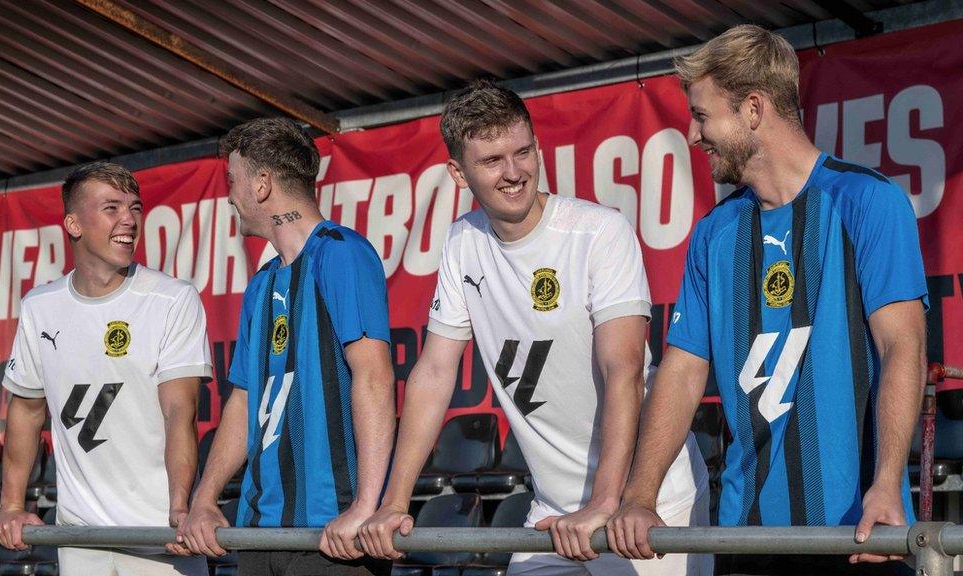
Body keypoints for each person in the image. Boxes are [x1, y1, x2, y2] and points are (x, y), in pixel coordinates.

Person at [358, 80, 711, 575]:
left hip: (645, 502)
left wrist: (607, 500)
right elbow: (434, 374)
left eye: (523, 152)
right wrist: (395, 502)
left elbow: (624, 369)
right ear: (458, 173)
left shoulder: (598, 232)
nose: (513, 173)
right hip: (552, 510)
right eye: (492, 161)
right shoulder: (463, 243)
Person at [610, 25, 928, 575]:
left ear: (753, 109)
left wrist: (885, 487)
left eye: (703, 115)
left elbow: (904, 349)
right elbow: (683, 372)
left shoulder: (868, 201)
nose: (693, 132)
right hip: (746, 535)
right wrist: (639, 496)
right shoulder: (714, 233)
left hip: (856, 533)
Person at [177, 117, 396, 576]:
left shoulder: (341, 253)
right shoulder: (261, 283)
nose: (229, 196)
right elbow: (242, 400)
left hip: (332, 535)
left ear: (261, 185)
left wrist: (365, 505)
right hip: (260, 532)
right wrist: (203, 499)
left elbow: (374, 376)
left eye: (232, 181)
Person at [0, 161, 212, 576]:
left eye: (135, 208)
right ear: (73, 224)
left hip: (160, 536)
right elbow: (25, 411)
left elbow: (179, 413)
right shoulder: (39, 307)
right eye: (111, 208)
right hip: (80, 536)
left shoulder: (172, 299)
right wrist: (11, 507)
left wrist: (181, 509)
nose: (129, 220)